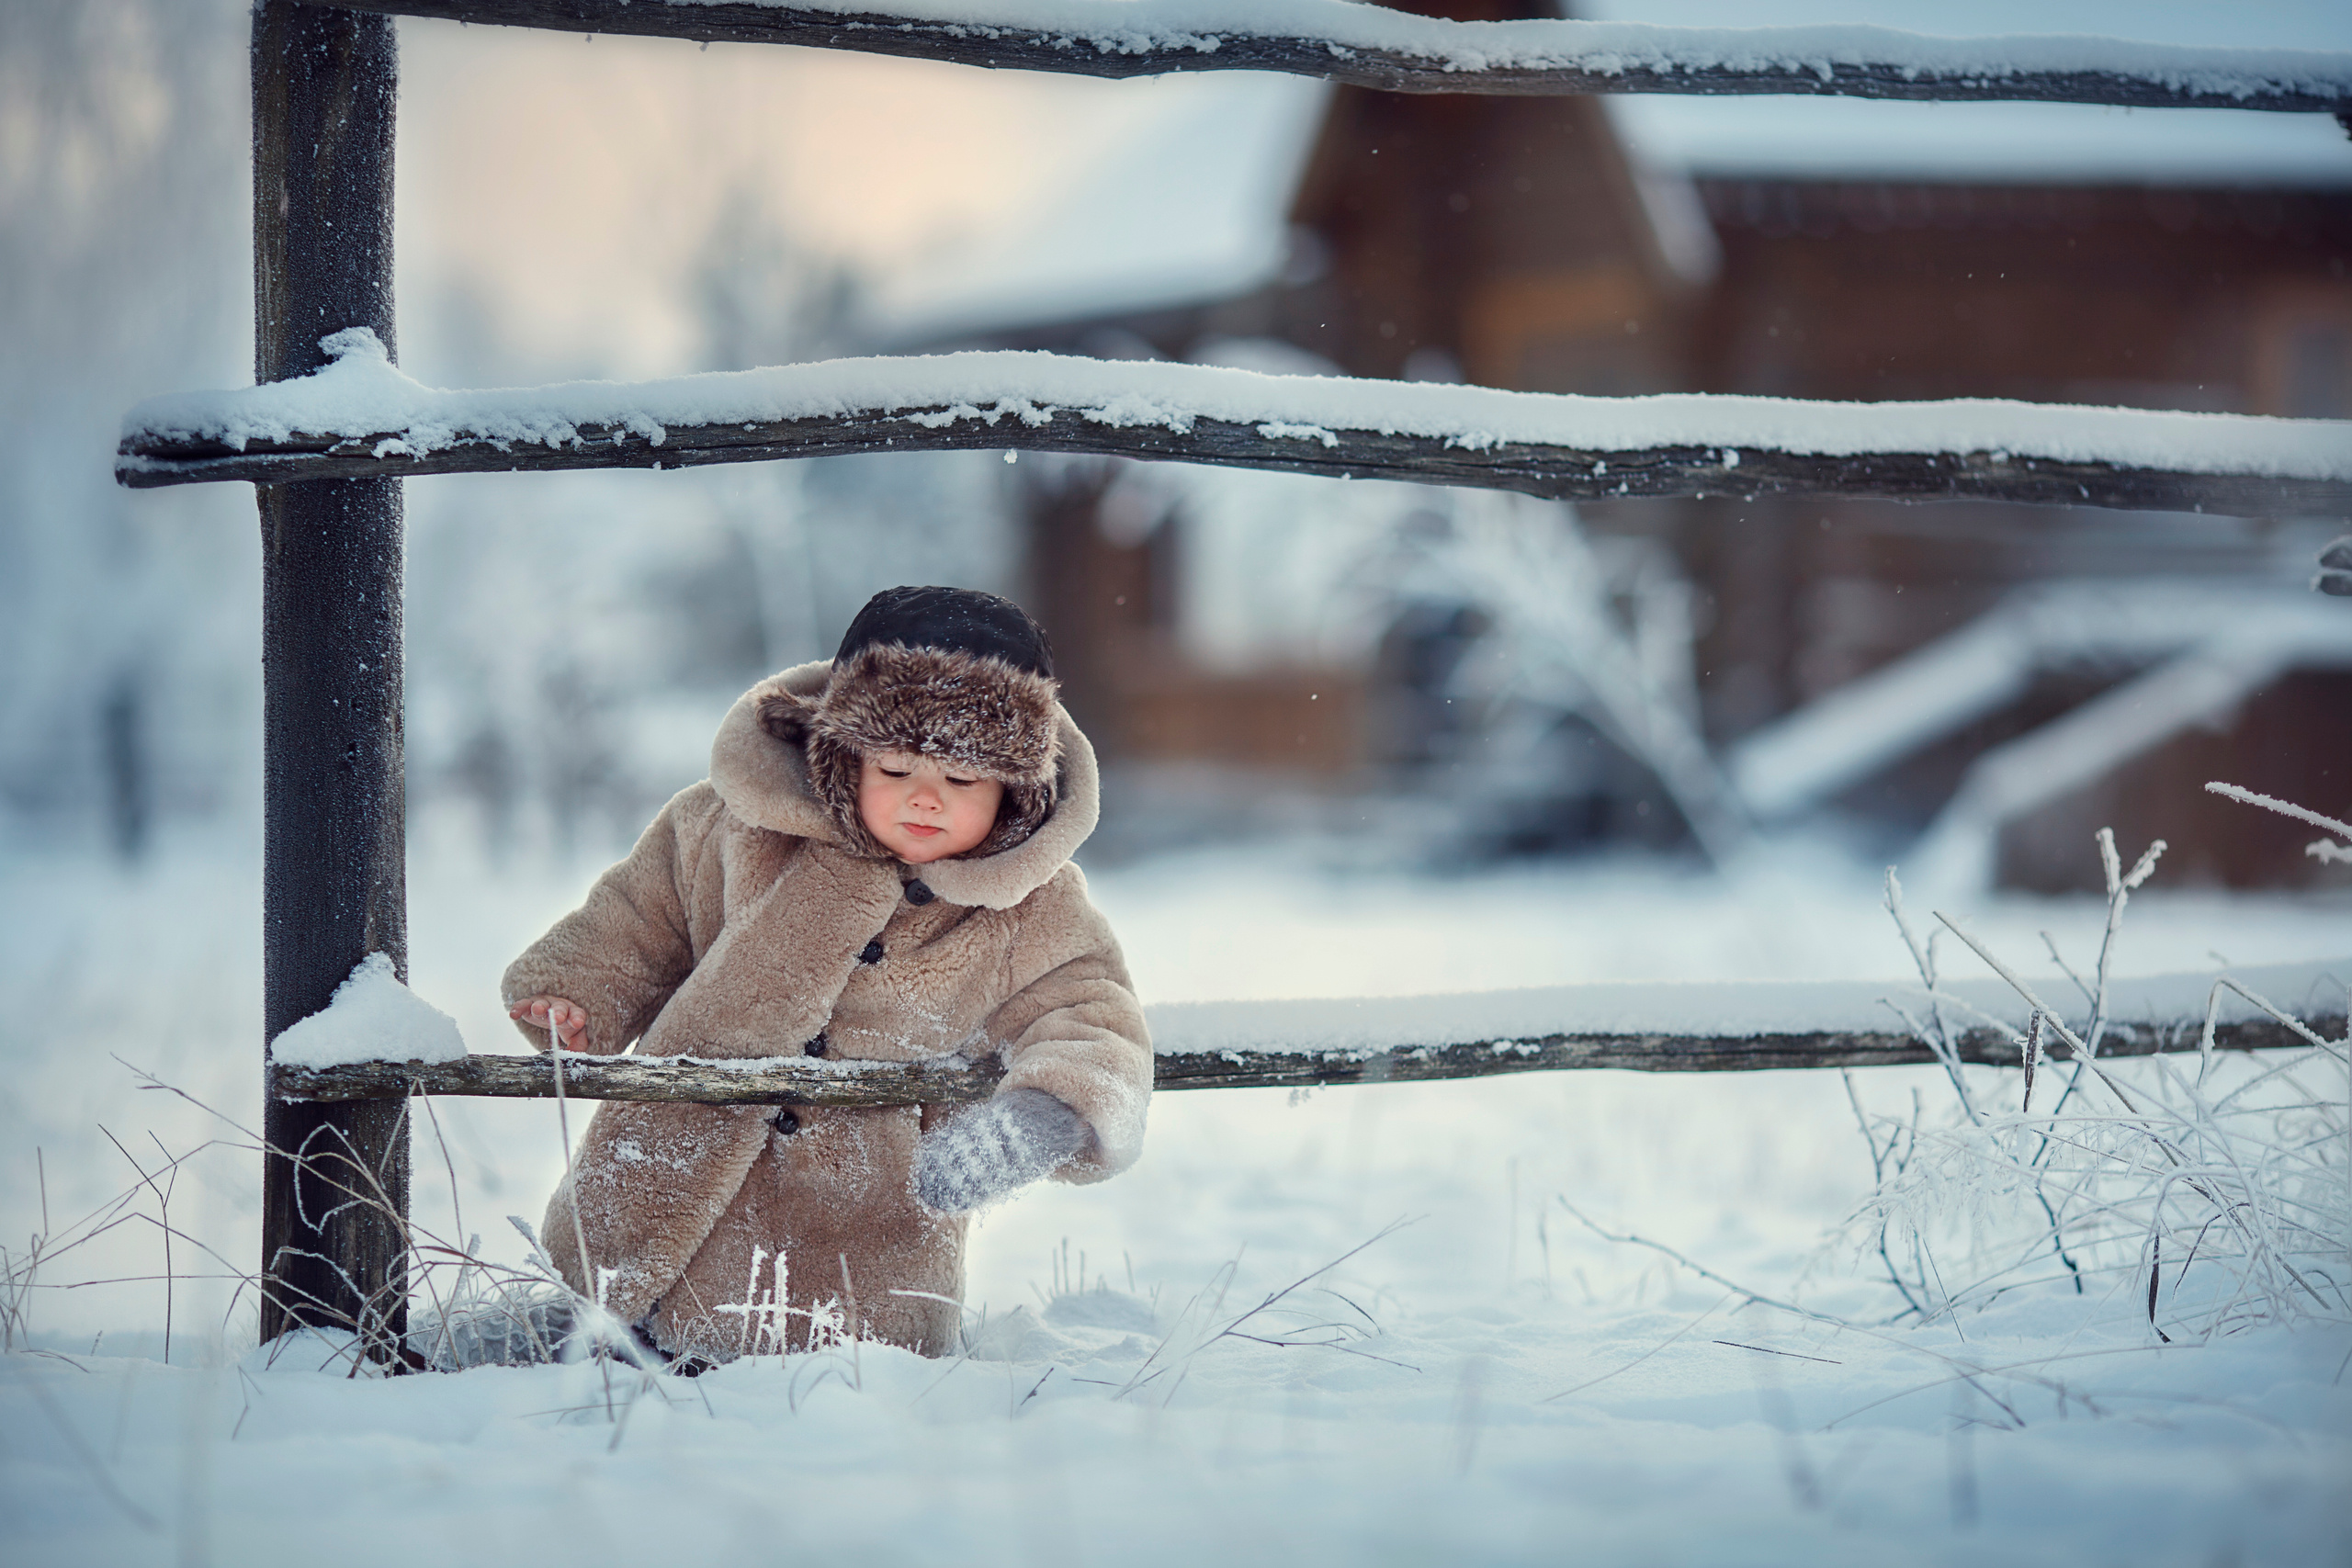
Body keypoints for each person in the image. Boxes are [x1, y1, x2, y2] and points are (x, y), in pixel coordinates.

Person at [503, 586, 1152, 1362]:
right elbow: (642, 917)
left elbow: (1090, 1009)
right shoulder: (731, 829)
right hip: (659, 1170)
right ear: (842, 751)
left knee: (834, 1381)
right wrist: (582, 989)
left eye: (963, 781)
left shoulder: (1027, 906)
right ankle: (595, 1331)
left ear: (1016, 790)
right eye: (897, 766)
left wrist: (1048, 1112)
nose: (924, 797)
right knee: (603, 1337)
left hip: (864, 1257)